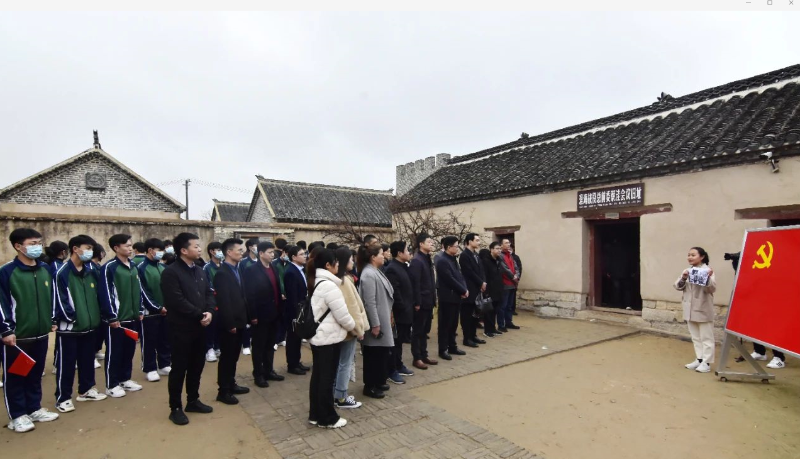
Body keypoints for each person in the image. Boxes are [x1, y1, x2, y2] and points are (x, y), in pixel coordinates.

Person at [0, 228, 60, 432]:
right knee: (16, 376)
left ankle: (34, 408)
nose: (37, 247)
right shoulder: (7, 272)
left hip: (41, 333)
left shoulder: (45, 269)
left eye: (39, 243)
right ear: (18, 246)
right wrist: (6, 330)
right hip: (18, 337)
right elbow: (2, 304)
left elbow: (51, 296)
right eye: (32, 243)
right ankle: (17, 415)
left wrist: (51, 319)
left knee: (35, 374)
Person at [160, 232, 216, 425]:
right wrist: (200, 315)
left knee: (197, 365)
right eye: (196, 246)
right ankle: (175, 407)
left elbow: (209, 293)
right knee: (179, 368)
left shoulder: (199, 270)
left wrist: (209, 312)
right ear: (183, 250)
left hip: (200, 327)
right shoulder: (171, 272)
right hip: (181, 328)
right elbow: (176, 301)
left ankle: (193, 400)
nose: (200, 249)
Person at [53, 234, 108, 414]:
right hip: (70, 329)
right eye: (87, 248)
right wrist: (72, 318)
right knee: (67, 364)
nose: (90, 252)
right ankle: (63, 398)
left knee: (87, 360)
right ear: (75, 249)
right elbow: (59, 300)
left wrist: (96, 317)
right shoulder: (62, 273)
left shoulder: (92, 270)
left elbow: (99, 295)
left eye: (92, 249)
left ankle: (86, 390)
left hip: (90, 326)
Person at [307, 249, 355, 429]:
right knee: (326, 380)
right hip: (328, 339)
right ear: (328, 265)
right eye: (336, 261)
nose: (338, 264)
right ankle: (327, 418)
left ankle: (315, 414)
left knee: (319, 378)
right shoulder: (329, 285)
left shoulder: (318, 281)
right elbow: (342, 314)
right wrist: (354, 327)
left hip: (320, 337)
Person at [99, 234, 145, 398]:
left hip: (133, 317)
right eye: (127, 246)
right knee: (115, 352)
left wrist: (140, 310)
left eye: (131, 245)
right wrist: (111, 316)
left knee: (129, 350)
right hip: (117, 320)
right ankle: (111, 384)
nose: (130, 248)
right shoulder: (109, 268)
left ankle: (125, 379)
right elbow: (105, 293)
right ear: (116, 248)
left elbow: (138, 290)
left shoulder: (133, 266)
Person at [212, 238, 250, 405]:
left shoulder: (237, 269)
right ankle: (223, 391)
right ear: (228, 252)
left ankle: (231, 383)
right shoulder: (222, 273)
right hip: (230, 323)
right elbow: (223, 301)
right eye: (239, 250)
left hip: (240, 320)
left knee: (234, 356)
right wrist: (230, 324)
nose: (242, 253)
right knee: (227, 357)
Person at [244, 241, 285, 388]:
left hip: (274, 313)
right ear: (261, 253)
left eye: (273, 252)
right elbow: (250, 295)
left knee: (270, 344)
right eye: (269, 252)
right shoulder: (251, 270)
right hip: (260, 315)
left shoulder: (273, 267)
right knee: (259, 346)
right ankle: (258, 374)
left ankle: (269, 371)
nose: (273, 254)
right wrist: (253, 315)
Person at [332, 247, 368, 409]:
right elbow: (352, 308)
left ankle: (336, 393)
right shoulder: (344, 281)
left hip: (340, 329)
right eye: (350, 259)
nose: (352, 261)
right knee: (345, 363)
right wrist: (358, 329)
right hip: (348, 329)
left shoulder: (336, 278)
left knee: (339, 362)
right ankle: (341, 396)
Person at [358, 243, 395, 399]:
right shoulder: (368, 274)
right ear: (373, 257)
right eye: (381, 253)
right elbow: (370, 302)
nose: (384, 255)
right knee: (373, 355)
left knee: (381, 353)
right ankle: (370, 386)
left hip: (383, 317)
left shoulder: (375, 271)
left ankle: (379, 380)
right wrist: (375, 324)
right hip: (376, 321)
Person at [674, 247, 716, 374]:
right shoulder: (688, 271)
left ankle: (706, 363)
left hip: (702, 308)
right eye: (689, 255)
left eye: (693, 255)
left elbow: (711, 289)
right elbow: (677, 286)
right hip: (689, 309)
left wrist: (707, 278)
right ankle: (699, 359)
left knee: (706, 338)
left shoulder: (707, 271)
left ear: (702, 257)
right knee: (696, 337)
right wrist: (683, 278)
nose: (690, 257)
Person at [137, 238, 171, 382]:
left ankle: (164, 364)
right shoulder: (140, 268)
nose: (162, 253)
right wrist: (157, 307)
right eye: (159, 250)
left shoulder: (163, 268)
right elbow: (143, 292)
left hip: (166, 311)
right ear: (150, 250)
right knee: (149, 341)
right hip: (150, 313)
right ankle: (150, 368)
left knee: (165, 338)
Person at [384, 241, 415, 383]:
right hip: (398, 313)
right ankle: (392, 370)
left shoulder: (403, 266)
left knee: (400, 341)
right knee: (395, 343)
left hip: (406, 311)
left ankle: (398, 364)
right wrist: (402, 307)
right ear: (399, 253)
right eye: (407, 250)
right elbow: (395, 292)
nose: (409, 253)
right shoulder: (392, 269)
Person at [435, 236, 468, 361]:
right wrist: (462, 290)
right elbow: (450, 279)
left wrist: (464, 289)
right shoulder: (442, 261)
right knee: (445, 324)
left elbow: (460, 276)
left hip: (456, 296)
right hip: (447, 297)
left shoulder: (453, 259)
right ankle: (443, 349)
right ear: (449, 247)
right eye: (456, 246)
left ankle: (452, 346)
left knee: (454, 324)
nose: (458, 248)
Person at [408, 233, 437, 370]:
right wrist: (417, 302)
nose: (431, 244)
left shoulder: (427, 258)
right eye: (429, 242)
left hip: (429, 300)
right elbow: (416, 284)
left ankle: (424, 354)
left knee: (425, 330)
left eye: (432, 242)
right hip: (421, 302)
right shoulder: (417, 260)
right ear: (421, 244)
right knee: (418, 331)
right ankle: (417, 357)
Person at [283, 245, 312, 375]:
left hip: (302, 309)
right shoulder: (290, 272)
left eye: (305, 253)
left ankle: (297, 361)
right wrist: (296, 314)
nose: (305, 256)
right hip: (295, 312)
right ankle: (292, 365)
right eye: (301, 254)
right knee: (293, 339)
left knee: (298, 338)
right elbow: (292, 296)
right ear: (294, 257)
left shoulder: (300, 269)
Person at [459, 233, 486, 348]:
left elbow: (481, 270)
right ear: (470, 241)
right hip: (469, 288)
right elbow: (469, 272)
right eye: (477, 240)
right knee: (467, 315)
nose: (479, 242)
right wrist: (480, 282)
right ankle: (467, 338)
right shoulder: (464, 255)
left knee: (476, 314)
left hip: (478, 288)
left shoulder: (476, 254)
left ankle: (473, 335)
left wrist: (483, 282)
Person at [237, 237, 259, 356]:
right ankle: (246, 344)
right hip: (247, 295)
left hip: (258, 296)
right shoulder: (243, 263)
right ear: (250, 247)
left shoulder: (260, 261)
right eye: (256, 246)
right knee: (247, 321)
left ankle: (253, 340)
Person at [203, 241, 224, 362]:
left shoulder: (223, 266)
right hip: (213, 301)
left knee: (221, 325)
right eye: (219, 250)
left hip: (224, 301)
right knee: (211, 326)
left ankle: (217, 346)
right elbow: (207, 286)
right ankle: (209, 348)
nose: (221, 253)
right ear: (212, 252)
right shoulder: (207, 267)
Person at [480, 243, 504, 338]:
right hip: (489, 290)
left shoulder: (498, 260)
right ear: (491, 249)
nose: (499, 250)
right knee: (489, 311)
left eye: (500, 248)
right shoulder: (486, 261)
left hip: (498, 289)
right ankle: (487, 330)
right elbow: (484, 276)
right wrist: (486, 290)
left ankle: (493, 328)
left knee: (494, 310)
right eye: (497, 248)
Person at [498, 238, 520, 332]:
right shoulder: (500, 255)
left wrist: (517, 275)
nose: (508, 244)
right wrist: (513, 276)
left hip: (512, 284)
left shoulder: (510, 255)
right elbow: (504, 268)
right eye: (506, 243)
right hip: (505, 283)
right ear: (501, 245)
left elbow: (516, 267)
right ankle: (501, 324)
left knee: (510, 305)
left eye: (509, 243)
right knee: (503, 305)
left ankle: (508, 322)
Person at [272, 238, 290, 349]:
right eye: (287, 254)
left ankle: (282, 338)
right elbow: (275, 280)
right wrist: (280, 292)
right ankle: (275, 340)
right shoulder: (274, 264)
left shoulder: (290, 264)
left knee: (285, 318)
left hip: (288, 296)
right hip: (278, 296)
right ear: (283, 252)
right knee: (277, 318)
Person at [510, 246, 522, 316]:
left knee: (513, 295)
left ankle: (513, 309)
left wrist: (518, 278)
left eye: (510, 249)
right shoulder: (503, 256)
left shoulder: (516, 257)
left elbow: (519, 268)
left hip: (514, 280)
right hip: (507, 280)